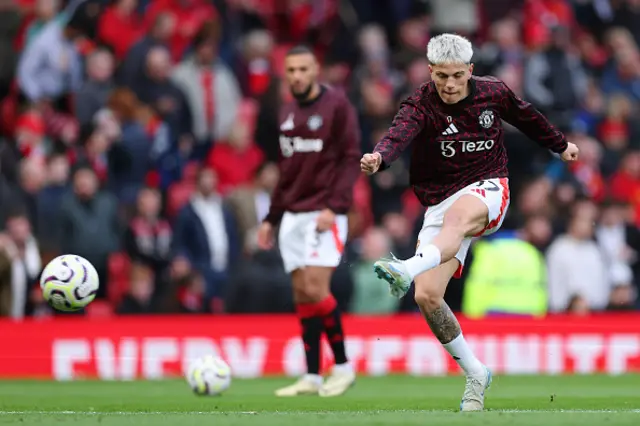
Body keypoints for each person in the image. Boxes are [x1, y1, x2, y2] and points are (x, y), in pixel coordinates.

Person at [360, 34, 579, 411]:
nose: (449, 84)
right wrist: (380, 157)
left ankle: (405, 268)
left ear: (470, 71)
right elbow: (398, 136)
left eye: (457, 76)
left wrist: (560, 145)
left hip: (489, 186)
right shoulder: (419, 103)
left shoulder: (493, 92)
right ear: (430, 72)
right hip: (439, 201)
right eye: (441, 76)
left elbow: (527, 116)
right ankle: (476, 373)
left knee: (459, 219)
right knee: (428, 297)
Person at [257, 45, 361, 397]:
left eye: (303, 69)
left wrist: (335, 206)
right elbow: (286, 172)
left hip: (323, 213)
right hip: (292, 216)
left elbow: (350, 158)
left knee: (317, 289)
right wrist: (271, 218)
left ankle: (344, 366)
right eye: (291, 70)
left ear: (316, 69)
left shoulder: (337, 106)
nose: (297, 76)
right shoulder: (285, 111)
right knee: (303, 295)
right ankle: (313, 374)